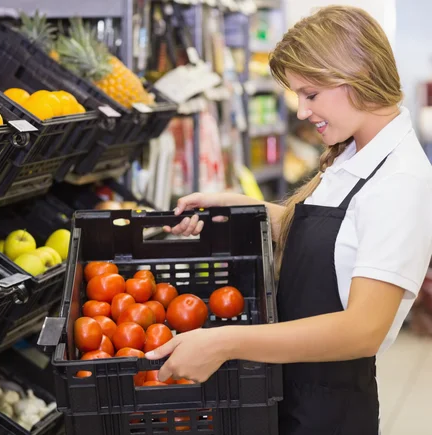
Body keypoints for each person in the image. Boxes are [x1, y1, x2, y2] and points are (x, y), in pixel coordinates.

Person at [145, 5, 432, 435]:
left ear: (355, 75)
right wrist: (239, 206)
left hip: (328, 413)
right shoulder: (357, 152)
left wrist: (224, 342)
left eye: (310, 94)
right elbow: (331, 243)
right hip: (291, 387)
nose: (300, 111)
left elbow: (363, 329)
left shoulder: (400, 180)